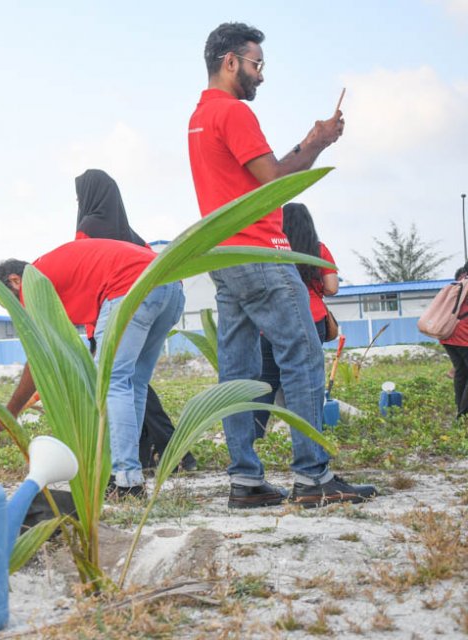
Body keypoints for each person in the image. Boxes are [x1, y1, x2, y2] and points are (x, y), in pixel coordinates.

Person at [188, 22, 374, 508]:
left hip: (223, 255)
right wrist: (316, 141)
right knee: (304, 355)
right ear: (231, 62)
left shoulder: (199, 116)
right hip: (259, 250)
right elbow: (272, 182)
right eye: (256, 64)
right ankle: (314, 478)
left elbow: (251, 181)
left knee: (239, 370)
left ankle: (246, 482)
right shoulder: (232, 113)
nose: (261, 76)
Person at [0, 238, 185, 497]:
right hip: (171, 285)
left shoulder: (34, 286)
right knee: (132, 383)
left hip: (130, 288)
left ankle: (126, 479)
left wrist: (9, 411)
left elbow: (38, 358)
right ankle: (128, 475)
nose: (16, 311)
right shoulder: (66, 273)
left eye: (9, 303)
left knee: (112, 382)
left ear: (15, 281)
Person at [75, 168, 196, 472]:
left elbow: (88, 280)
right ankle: (153, 457)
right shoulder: (135, 237)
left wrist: (93, 334)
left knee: (115, 383)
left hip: (120, 307)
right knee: (136, 384)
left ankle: (125, 469)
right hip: (161, 302)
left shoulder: (87, 228)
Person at [253, 203, 339, 437]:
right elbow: (332, 288)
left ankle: (255, 433)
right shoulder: (319, 250)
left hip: (273, 320)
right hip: (312, 318)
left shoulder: (270, 250)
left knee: (267, 379)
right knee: (307, 377)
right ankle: (312, 434)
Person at [441, 262, 468, 417]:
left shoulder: (458, 282)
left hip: (448, 334)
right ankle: (463, 414)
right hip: (463, 336)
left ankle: (461, 411)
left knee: (461, 372)